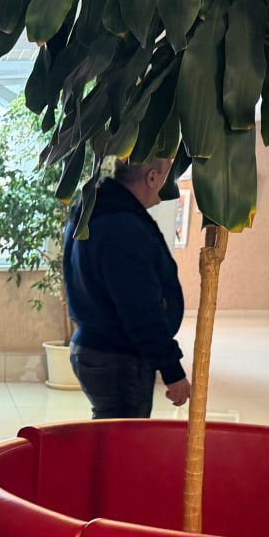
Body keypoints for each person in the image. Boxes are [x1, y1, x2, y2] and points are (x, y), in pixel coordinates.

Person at [64, 158, 191, 418]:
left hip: (95, 347)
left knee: (110, 434)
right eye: (168, 176)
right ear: (152, 177)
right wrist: (172, 371)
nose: (169, 185)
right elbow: (140, 307)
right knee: (124, 440)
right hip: (118, 356)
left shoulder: (94, 208)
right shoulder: (121, 224)